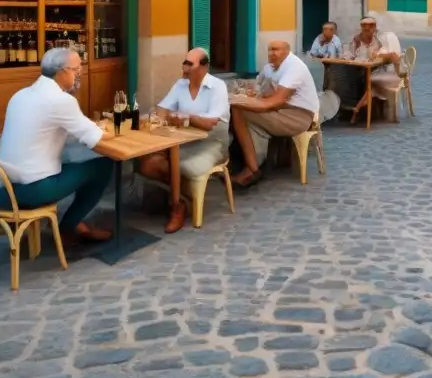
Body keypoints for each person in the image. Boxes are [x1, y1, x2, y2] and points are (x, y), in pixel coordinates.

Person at [0, 48, 113, 243]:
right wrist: (120, 131)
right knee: (104, 165)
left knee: (71, 161)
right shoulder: (61, 100)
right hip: (35, 189)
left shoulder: (20, 95)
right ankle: (69, 226)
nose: (80, 74)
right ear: (62, 71)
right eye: (77, 69)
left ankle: (71, 224)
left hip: (7, 189)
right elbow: (94, 138)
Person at [137, 47, 230, 234]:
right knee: (147, 164)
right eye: (184, 63)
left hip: (211, 142)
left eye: (190, 65)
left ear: (205, 67)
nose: (185, 69)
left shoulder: (217, 86)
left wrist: (186, 117)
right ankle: (186, 199)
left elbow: (210, 124)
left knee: (175, 164)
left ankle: (177, 206)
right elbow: (162, 108)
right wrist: (163, 117)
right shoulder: (180, 84)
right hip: (181, 140)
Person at [230, 40, 320, 187]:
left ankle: (252, 168)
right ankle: (252, 162)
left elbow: (273, 102)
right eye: (270, 50)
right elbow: (264, 92)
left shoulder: (294, 68)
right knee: (240, 110)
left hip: (298, 117)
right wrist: (250, 97)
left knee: (238, 110)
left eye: (277, 50)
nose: (272, 53)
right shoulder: (273, 68)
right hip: (283, 110)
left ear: (287, 51)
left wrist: (236, 100)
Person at [350, 23, 403, 124]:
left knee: (371, 85)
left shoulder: (388, 41)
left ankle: (358, 110)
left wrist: (378, 55)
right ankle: (359, 110)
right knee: (371, 86)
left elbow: (392, 56)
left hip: (394, 77)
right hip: (390, 74)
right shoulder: (386, 40)